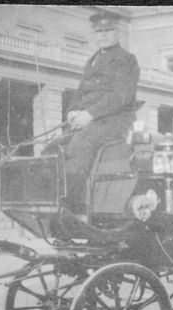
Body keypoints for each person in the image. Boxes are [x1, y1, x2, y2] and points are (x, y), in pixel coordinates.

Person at [62, 11, 140, 218]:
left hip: (114, 121)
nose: (103, 35)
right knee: (54, 147)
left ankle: (73, 207)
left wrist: (89, 114)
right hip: (90, 121)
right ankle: (50, 203)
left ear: (117, 31)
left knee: (81, 143)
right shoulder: (93, 61)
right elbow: (80, 92)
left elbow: (121, 96)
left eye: (108, 30)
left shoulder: (125, 59)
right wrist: (71, 112)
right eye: (99, 32)